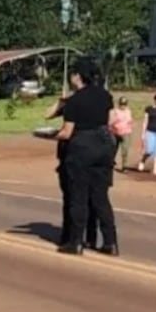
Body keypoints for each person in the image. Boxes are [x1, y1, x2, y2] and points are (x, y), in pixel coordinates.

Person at [53, 58, 118, 256]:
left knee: (78, 196)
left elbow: (67, 131)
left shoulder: (74, 101)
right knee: (100, 197)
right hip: (104, 147)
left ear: (77, 76)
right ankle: (110, 242)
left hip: (81, 149)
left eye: (72, 74)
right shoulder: (105, 95)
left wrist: (50, 135)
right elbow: (111, 120)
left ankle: (76, 241)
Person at [45, 97, 98, 249]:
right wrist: (60, 101)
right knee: (73, 200)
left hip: (77, 156)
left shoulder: (86, 108)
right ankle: (74, 235)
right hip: (68, 157)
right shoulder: (71, 106)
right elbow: (48, 114)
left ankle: (78, 237)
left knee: (78, 200)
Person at [109, 97, 134, 172]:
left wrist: (130, 125)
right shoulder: (114, 111)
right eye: (122, 104)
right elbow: (110, 122)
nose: (123, 106)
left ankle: (124, 166)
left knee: (125, 150)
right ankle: (111, 163)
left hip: (126, 133)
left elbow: (130, 121)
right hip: (115, 133)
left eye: (124, 104)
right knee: (113, 149)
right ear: (119, 104)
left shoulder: (128, 111)